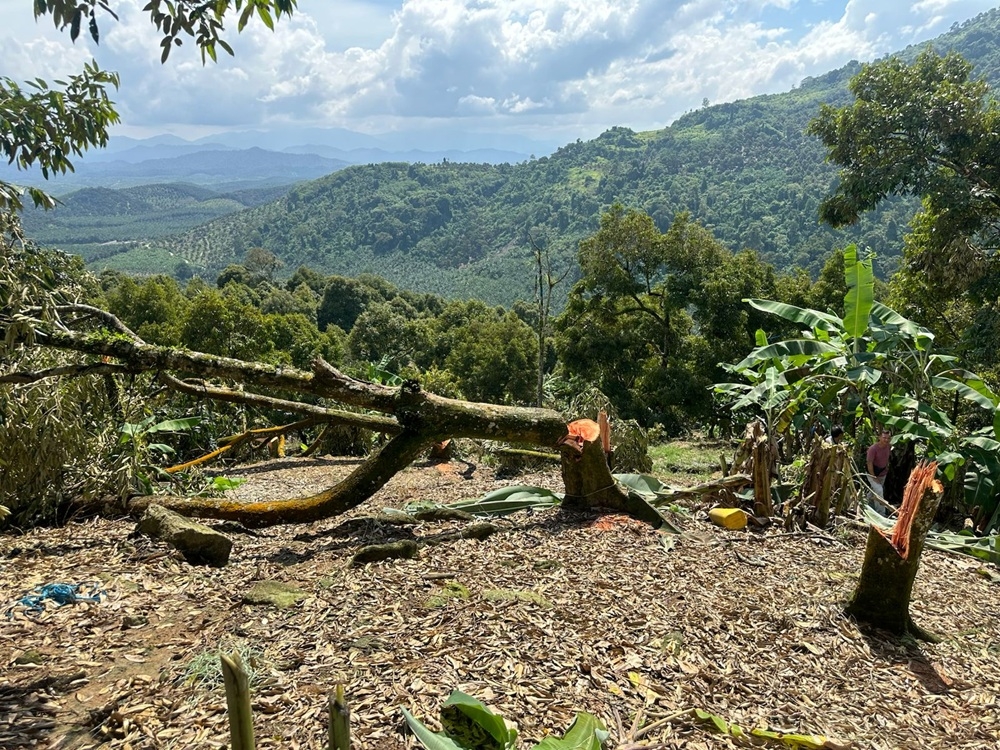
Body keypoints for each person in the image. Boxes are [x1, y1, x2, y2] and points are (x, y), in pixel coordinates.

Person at [866, 429, 891, 498]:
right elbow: (869, 463)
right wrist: (874, 477)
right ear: (879, 437)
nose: (886, 440)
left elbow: (887, 457)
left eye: (888, 438)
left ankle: (866, 504)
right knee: (879, 490)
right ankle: (880, 509)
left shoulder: (888, 446)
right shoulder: (873, 449)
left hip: (882, 473)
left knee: (874, 491)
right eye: (884, 438)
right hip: (872, 473)